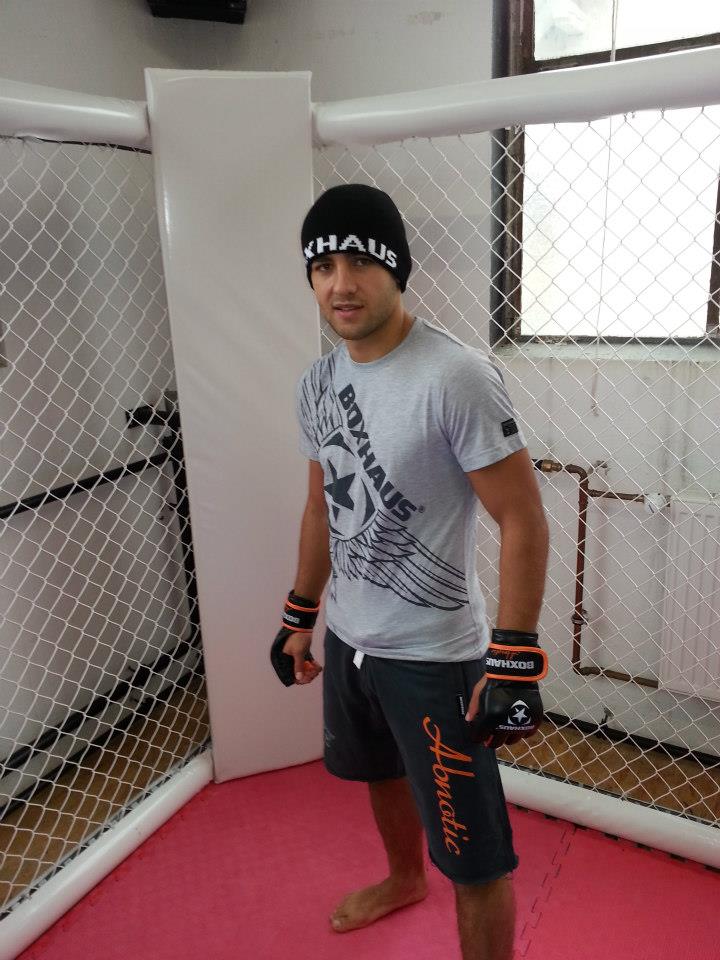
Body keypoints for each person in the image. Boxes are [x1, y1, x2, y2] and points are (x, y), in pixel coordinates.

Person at [275, 183, 549, 960]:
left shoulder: (454, 375)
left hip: (433, 658)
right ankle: (402, 879)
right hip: (351, 640)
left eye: (360, 261)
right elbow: (322, 505)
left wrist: (513, 657)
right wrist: (300, 614)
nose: (341, 284)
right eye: (323, 265)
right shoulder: (317, 383)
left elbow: (523, 517)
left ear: (395, 268)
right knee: (378, 771)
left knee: (475, 856)